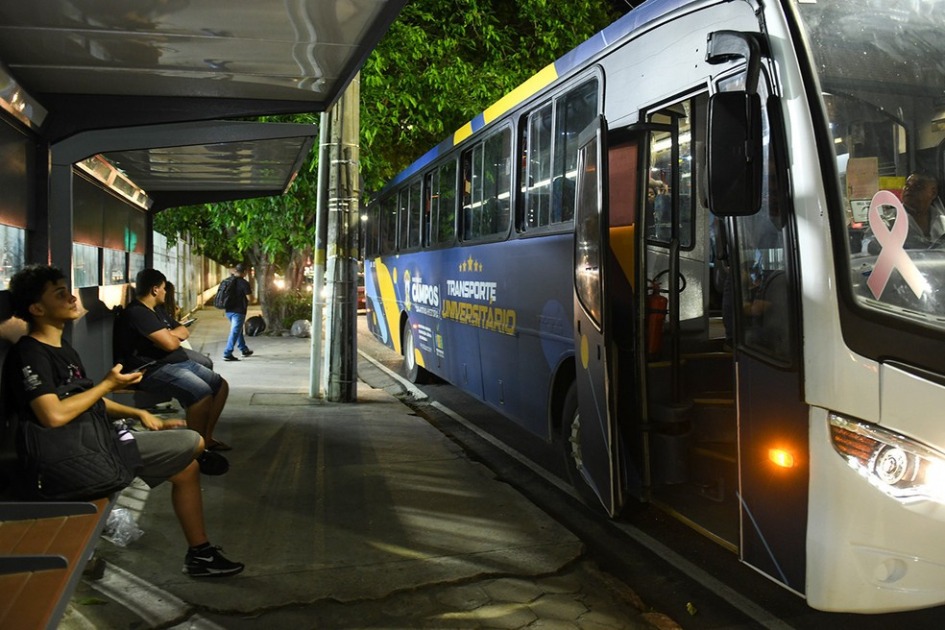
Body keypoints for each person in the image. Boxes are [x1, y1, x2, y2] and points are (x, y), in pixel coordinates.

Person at [2, 264, 243, 577]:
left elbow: (83, 398)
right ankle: (201, 451)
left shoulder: (61, 347)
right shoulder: (31, 354)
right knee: (192, 442)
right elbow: (53, 414)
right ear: (37, 308)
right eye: (60, 294)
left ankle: (200, 554)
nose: (72, 298)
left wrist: (138, 413)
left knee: (186, 468)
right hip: (66, 459)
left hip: (91, 442)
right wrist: (108, 385)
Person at [115, 268, 232, 455]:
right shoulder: (138, 313)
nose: (165, 292)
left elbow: (183, 331)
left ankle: (206, 439)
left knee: (220, 385)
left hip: (175, 362)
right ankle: (195, 449)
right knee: (201, 393)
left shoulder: (157, 310)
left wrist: (169, 335)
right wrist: (170, 336)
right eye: (163, 288)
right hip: (151, 369)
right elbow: (170, 344)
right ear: (154, 289)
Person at [868, 172, 945, 253]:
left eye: (917, 186)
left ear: (933, 193)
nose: (909, 189)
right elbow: (870, 250)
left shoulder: (943, 222)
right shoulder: (887, 223)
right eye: (907, 185)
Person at [222, 263, 253, 362]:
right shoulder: (244, 283)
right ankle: (227, 353)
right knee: (235, 331)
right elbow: (249, 298)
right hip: (238, 311)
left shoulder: (227, 281)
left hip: (228, 310)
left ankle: (244, 349)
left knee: (238, 330)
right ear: (244, 272)